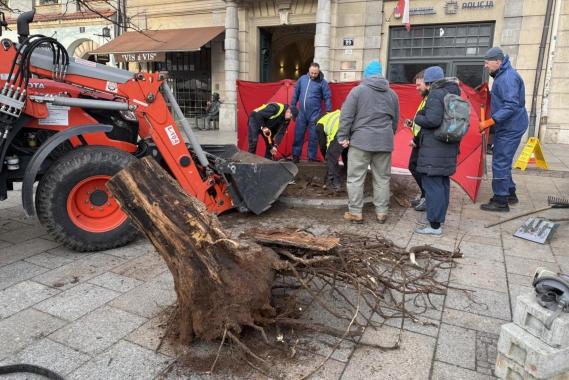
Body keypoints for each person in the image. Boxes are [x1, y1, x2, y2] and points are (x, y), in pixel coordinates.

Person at [336, 60, 399, 224]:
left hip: (361, 141)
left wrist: (343, 136)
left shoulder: (357, 91)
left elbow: (346, 116)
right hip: (384, 142)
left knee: (356, 178)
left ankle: (356, 212)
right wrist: (388, 134)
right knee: (383, 178)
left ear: (366, 75)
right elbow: (395, 120)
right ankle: (382, 212)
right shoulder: (392, 94)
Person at [413, 66, 461, 236]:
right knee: (442, 185)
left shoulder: (435, 93)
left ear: (430, 82)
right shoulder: (453, 92)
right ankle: (437, 220)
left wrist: (418, 116)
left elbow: (432, 120)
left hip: (435, 149)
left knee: (432, 186)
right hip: (447, 147)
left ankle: (434, 225)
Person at [479, 47, 529, 212]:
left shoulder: (507, 77)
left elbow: (511, 105)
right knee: (504, 160)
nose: (486, 66)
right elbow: (503, 98)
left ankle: (501, 201)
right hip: (509, 125)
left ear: (498, 62)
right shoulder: (501, 74)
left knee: (500, 161)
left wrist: (490, 122)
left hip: (511, 126)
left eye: (487, 63)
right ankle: (510, 193)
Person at [290, 62, 332, 163]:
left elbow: (327, 97)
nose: (313, 75)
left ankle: (311, 158)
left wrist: (328, 111)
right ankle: (296, 156)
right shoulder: (302, 79)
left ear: (319, 72)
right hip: (302, 113)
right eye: (312, 73)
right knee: (298, 135)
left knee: (313, 137)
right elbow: (296, 93)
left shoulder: (323, 82)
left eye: (315, 73)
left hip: (315, 114)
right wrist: (292, 106)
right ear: (309, 70)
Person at [404, 70, 428, 212]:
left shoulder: (430, 99)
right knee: (414, 167)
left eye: (419, 84)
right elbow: (422, 120)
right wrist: (412, 123)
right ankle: (425, 195)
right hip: (420, 139)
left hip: (422, 141)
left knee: (416, 167)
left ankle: (426, 196)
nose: (417, 88)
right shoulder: (425, 98)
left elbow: (429, 122)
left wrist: (416, 139)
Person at [315, 110, 347, 192]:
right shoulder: (335, 114)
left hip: (340, 131)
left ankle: (334, 184)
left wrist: (327, 158)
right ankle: (348, 174)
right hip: (352, 126)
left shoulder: (319, 124)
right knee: (346, 151)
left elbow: (323, 146)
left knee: (331, 156)